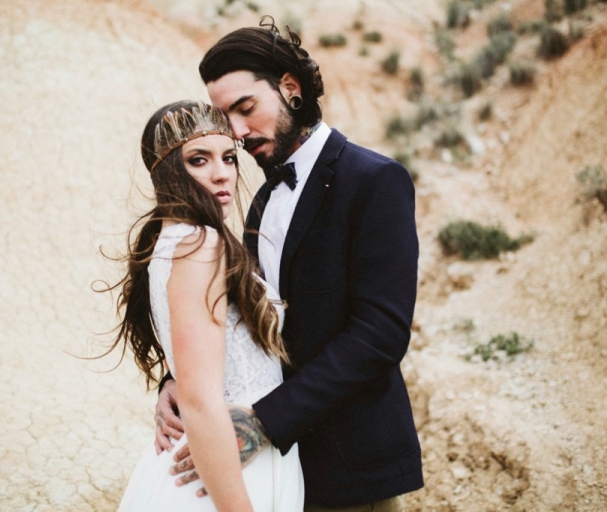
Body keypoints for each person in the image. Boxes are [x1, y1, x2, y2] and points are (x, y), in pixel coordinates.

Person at [156, 18, 424, 512]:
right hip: (277, 471)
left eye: (245, 108)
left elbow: (380, 333)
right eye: (224, 117)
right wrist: (176, 382)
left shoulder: (375, 180)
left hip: (349, 462)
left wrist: (264, 421)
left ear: (290, 88)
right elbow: (236, 314)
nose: (236, 132)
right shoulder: (259, 202)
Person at [110, 100, 304, 511]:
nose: (222, 174)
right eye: (199, 160)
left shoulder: (169, 243)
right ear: (169, 172)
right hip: (224, 473)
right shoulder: (201, 244)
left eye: (229, 158)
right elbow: (200, 400)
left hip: (219, 457)